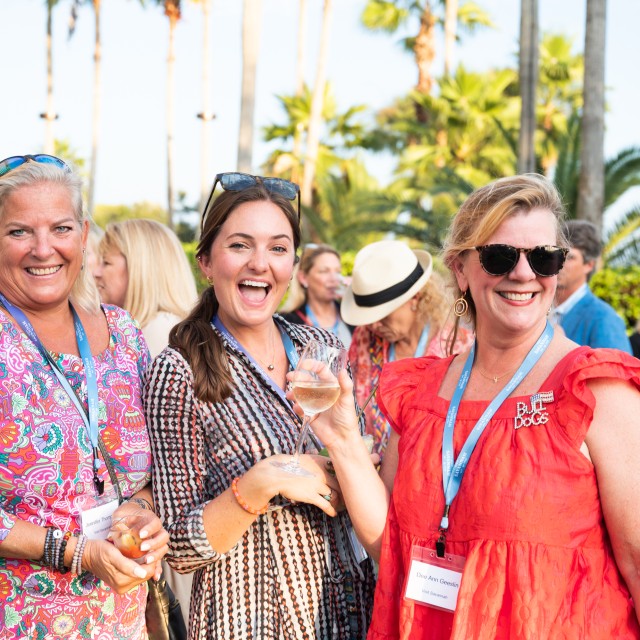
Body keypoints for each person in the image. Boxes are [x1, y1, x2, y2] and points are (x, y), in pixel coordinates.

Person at [309, 174, 640, 639]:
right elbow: (393, 547)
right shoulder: (422, 392)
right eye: (500, 256)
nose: (524, 273)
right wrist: (342, 437)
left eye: (544, 257)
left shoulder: (596, 390)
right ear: (460, 269)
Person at [143, 172, 375, 639]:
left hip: (346, 608)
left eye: (277, 247)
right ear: (206, 261)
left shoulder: (318, 344)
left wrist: (350, 449)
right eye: (240, 245)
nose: (260, 264)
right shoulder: (179, 368)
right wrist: (265, 481)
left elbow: (360, 463)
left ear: (293, 264)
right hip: (247, 616)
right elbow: (182, 547)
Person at [0, 154, 169, 639]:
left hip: (123, 621)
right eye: (19, 232)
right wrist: (75, 551)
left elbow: (154, 469)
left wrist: (142, 510)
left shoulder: (123, 333)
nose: (42, 248)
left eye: (61, 228)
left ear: (84, 233)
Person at [340, 240, 473, 457]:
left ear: (415, 298)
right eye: (369, 317)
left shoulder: (459, 346)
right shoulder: (365, 338)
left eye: (383, 315)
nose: (374, 325)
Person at [94, 218, 197, 358]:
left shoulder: (160, 329)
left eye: (106, 262)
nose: (96, 273)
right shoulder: (164, 326)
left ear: (138, 268)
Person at [554, 219, 632, 352]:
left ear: (589, 265)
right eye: (557, 254)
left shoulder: (604, 319)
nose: (560, 263)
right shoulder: (540, 307)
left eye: (570, 258)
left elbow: (615, 372)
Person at [280, 243, 353, 348]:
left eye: (337, 272)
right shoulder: (287, 323)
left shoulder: (351, 316)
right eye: (324, 271)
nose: (334, 278)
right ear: (303, 278)